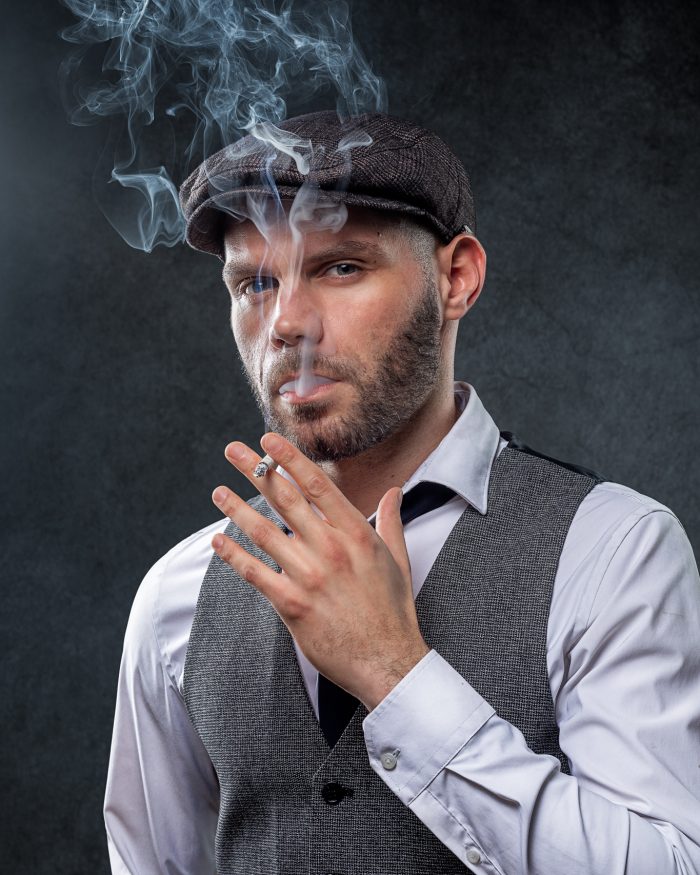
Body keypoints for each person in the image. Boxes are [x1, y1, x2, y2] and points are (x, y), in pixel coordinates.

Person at [104, 111, 700, 874]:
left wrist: (395, 673)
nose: (286, 323)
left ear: (456, 278)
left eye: (340, 268)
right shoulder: (176, 599)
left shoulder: (614, 552)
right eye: (255, 282)